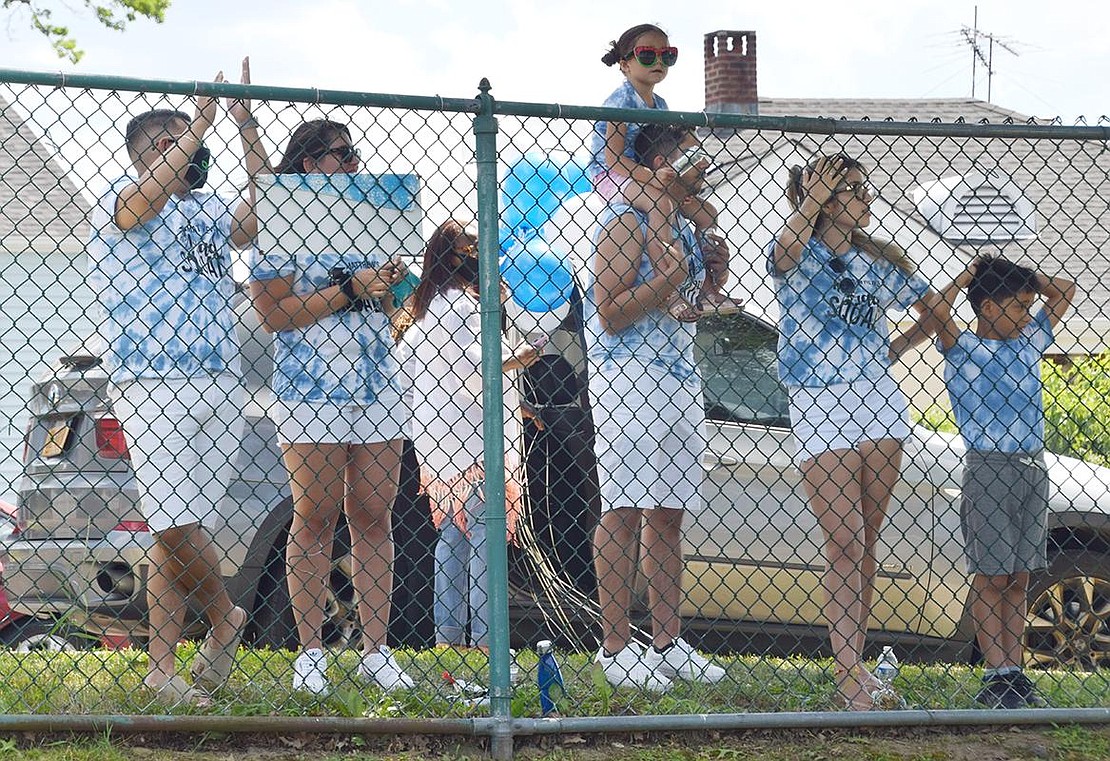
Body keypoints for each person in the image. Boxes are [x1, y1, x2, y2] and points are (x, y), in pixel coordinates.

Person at [85, 59, 265, 706]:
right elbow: (145, 199)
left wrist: (244, 126)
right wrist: (198, 123)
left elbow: (263, 207)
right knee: (172, 519)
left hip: (220, 381)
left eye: (192, 138)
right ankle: (225, 617)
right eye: (173, 140)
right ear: (147, 152)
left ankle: (161, 673)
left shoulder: (210, 211)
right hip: (152, 379)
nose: (193, 147)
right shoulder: (120, 198)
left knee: (176, 530)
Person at [770, 154, 941, 710]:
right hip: (819, 399)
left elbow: (934, 308)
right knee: (842, 540)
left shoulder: (879, 258)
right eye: (855, 191)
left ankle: (858, 661)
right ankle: (847, 675)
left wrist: (897, 348)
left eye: (866, 191)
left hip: (879, 401)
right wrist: (811, 200)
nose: (868, 201)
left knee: (866, 539)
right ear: (824, 198)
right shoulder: (800, 252)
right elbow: (782, 253)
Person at [249, 119, 413, 694]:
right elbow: (272, 313)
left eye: (355, 154)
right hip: (310, 386)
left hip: (378, 381)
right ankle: (311, 652)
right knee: (314, 516)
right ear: (308, 162)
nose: (352, 165)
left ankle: (377, 651)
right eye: (341, 155)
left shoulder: (372, 215)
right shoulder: (284, 220)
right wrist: (347, 289)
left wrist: (390, 281)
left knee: (374, 512)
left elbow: (395, 299)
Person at [585, 124, 728, 692]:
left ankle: (667, 641)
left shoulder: (679, 229)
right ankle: (615, 646)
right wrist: (665, 280)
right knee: (623, 513)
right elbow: (610, 312)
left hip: (676, 378)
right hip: (629, 382)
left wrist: (708, 283)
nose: (694, 175)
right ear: (653, 166)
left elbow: (682, 307)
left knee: (669, 515)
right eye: (683, 162)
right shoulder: (624, 222)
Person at [930, 256, 1075, 709]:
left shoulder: (1030, 340)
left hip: (1032, 467)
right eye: (1018, 306)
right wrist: (969, 277)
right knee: (991, 575)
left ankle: (1015, 672)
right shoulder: (963, 347)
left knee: (1019, 575)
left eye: (1031, 306)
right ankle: (996, 673)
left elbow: (1065, 290)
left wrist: (1023, 275)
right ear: (988, 308)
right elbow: (934, 310)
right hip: (989, 467)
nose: (1029, 314)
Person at [404, 219, 541, 652]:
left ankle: (448, 641)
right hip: (477, 442)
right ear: (456, 257)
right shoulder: (464, 309)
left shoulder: (425, 309)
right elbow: (486, 365)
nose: (485, 255)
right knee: (485, 539)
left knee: (452, 540)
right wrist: (526, 350)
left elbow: (441, 374)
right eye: (474, 247)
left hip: (438, 442)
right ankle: (485, 642)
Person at [587, 23, 738, 321]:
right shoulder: (621, 102)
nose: (658, 62)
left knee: (706, 214)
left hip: (644, 174)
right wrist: (652, 179)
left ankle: (709, 289)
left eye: (667, 55)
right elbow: (613, 158)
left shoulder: (661, 105)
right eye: (647, 55)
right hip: (611, 176)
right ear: (625, 63)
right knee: (658, 204)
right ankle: (666, 285)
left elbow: (669, 145)